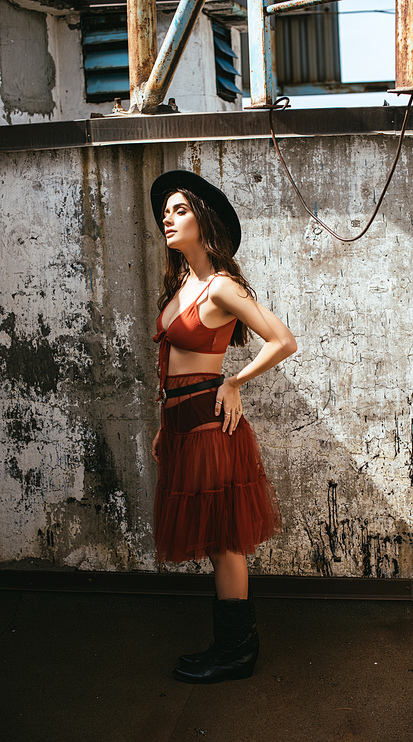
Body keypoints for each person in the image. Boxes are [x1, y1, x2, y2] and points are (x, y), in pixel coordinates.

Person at [150, 170, 297, 684]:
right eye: (165, 212)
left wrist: (235, 381)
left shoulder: (220, 287)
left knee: (225, 539)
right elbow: (171, 359)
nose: (168, 218)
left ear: (204, 219)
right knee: (218, 538)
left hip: (212, 428)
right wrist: (162, 423)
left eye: (180, 210)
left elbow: (282, 340)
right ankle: (231, 647)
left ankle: (236, 652)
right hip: (182, 425)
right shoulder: (182, 283)